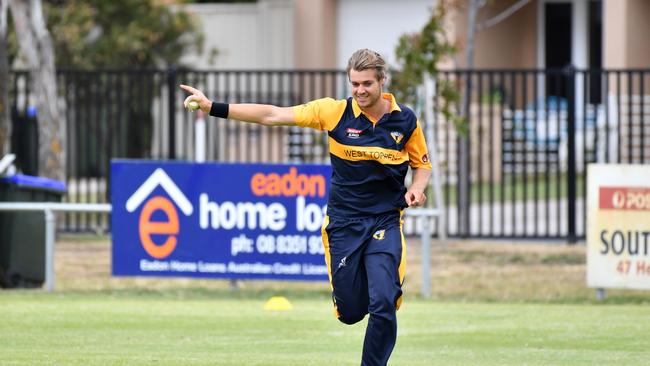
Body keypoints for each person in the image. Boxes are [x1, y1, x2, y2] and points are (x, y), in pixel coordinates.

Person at [180, 48, 431, 366]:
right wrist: (212, 106)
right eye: (354, 84)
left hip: (385, 220)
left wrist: (418, 189)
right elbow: (272, 115)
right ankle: (365, 284)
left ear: (383, 80)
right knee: (351, 313)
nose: (359, 91)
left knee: (383, 303)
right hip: (343, 224)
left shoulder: (405, 120)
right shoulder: (333, 112)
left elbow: (421, 163)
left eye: (367, 83)